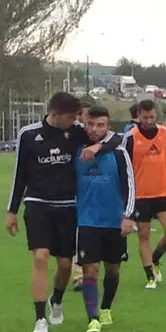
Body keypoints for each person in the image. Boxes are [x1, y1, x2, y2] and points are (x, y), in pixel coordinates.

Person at [5, 91, 120, 332]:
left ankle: (56, 299)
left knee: (66, 264)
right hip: (37, 204)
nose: (76, 121)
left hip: (68, 206)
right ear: (55, 114)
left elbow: (115, 138)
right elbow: (19, 174)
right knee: (40, 257)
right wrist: (12, 210)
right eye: (71, 117)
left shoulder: (76, 132)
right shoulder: (28, 134)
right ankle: (40, 318)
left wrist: (98, 145)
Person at [74, 106, 136, 332]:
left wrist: (128, 216)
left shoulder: (119, 153)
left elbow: (130, 186)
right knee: (90, 270)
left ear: (108, 127)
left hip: (114, 221)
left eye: (100, 125)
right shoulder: (76, 150)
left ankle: (106, 308)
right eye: (90, 124)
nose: (94, 129)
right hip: (87, 221)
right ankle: (93, 318)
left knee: (112, 270)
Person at [123, 99, 166, 289]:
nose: (149, 120)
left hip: (163, 192)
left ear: (156, 114)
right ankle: (150, 275)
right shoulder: (130, 137)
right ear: (138, 116)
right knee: (144, 236)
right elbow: (124, 167)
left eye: (152, 117)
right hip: (140, 195)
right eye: (145, 117)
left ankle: (156, 258)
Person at [71, 101, 93, 292]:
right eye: (83, 115)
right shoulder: (73, 135)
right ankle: (79, 275)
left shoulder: (100, 138)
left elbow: (114, 140)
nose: (85, 120)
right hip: (73, 191)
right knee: (78, 232)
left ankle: (87, 272)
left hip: (94, 192)